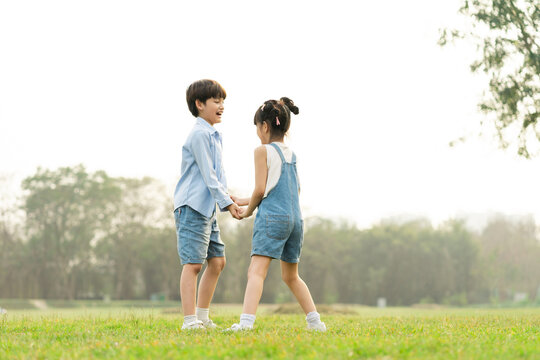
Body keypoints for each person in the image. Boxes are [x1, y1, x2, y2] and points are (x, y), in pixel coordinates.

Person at [227, 97, 326, 331]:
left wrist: (248, 211)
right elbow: (289, 189)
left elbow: (261, 189)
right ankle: (315, 322)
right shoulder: (291, 154)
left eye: (257, 127)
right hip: (295, 220)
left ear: (264, 126)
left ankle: (245, 324)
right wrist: (243, 199)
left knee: (256, 272)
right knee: (291, 276)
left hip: (272, 219)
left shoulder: (262, 151)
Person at [173, 79, 242, 330]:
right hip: (192, 206)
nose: (221, 105)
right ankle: (189, 321)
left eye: (223, 100)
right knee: (193, 264)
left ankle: (202, 317)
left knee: (217, 262)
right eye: (216, 100)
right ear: (199, 104)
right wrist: (227, 204)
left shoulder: (213, 134)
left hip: (207, 208)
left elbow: (218, 174)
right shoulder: (200, 134)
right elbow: (207, 175)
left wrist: (228, 197)